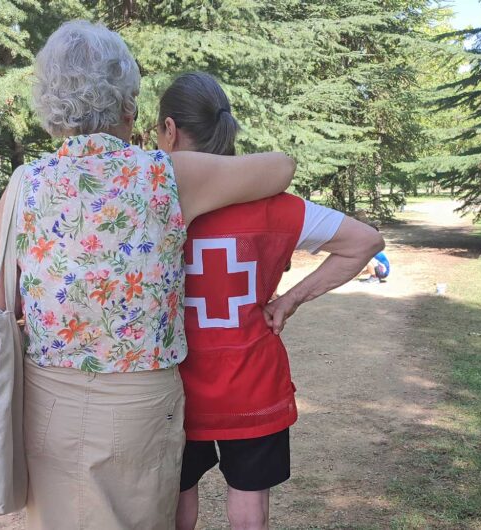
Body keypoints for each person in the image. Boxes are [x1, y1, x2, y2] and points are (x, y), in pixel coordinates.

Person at [0, 22, 297, 530]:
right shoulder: (166, 174)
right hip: (140, 403)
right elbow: (281, 167)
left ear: (52, 106)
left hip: (49, 401)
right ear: (128, 103)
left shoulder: (24, 184)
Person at [156, 72, 384, 530]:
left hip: (174, 384)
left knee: (174, 497)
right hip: (252, 383)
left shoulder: (150, 201)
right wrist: (289, 301)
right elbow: (366, 241)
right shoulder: (276, 206)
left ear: (170, 130)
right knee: (249, 505)